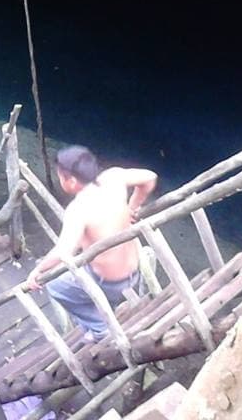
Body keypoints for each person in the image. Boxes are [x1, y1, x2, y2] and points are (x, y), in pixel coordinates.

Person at [26, 145, 158, 339]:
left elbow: (64, 251)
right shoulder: (114, 177)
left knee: (55, 285)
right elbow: (150, 177)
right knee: (83, 269)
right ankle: (105, 313)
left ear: (70, 180)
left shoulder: (79, 208)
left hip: (109, 284)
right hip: (133, 272)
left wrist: (37, 271)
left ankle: (100, 329)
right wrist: (133, 205)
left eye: (60, 176)